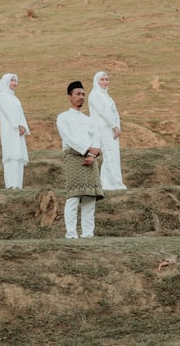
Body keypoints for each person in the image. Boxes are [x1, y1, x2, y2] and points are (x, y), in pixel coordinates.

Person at [56, 80, 103, 239]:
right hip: (73, 157)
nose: (81, 97)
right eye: (78, 94)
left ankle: (88, 234)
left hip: (91, 160)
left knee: (90, 198)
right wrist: (87, 149)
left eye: (83, 94)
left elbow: (97, 139)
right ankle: (71, 234)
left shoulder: (90, 120)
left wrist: (91, 155)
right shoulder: (63, 117)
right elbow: (68, 138)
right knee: (74, 196)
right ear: (70, 96)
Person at [89, 71, 126, 190]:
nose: (105, 82)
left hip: (112, 130)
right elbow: (102, 112)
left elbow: (114, 113)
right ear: (96, 81)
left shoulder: (106, 96)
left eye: (107, 79)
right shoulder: (94, 94)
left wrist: (117, 127)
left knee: (113, 156)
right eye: (102, 79)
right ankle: (116, 184)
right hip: (103, 129)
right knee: (110, 155)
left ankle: (107, 185)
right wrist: (114, 126)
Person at [0, 73, 30, 189]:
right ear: (6, 82)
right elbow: (9, 113)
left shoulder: (14, 98)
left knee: (18, 157)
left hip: (18, 132)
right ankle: (11, 185)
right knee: (11, 156)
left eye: (15, 81)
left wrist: (23, 127)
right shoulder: (2, 96)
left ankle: (18, 186)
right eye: (12, 80)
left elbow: (20, 114)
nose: (14, 83)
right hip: (9, 130)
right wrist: (17, 125)